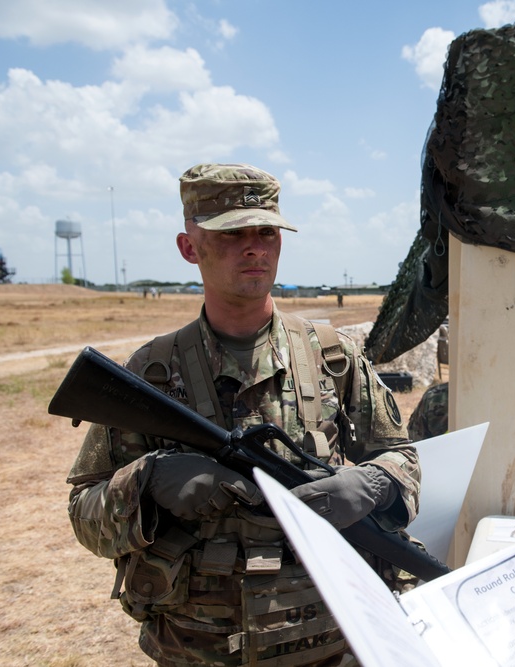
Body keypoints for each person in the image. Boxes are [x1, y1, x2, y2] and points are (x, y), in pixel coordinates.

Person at [66, 163, 420, 666]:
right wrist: (148, 482)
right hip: (198, 649)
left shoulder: (333, 356)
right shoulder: (151, 374)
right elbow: (85, 514)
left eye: (266, 232)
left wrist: (371, 484)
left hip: (337, 642)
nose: (255, 247)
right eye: (233, 233)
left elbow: (401, 459)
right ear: (190, 248)